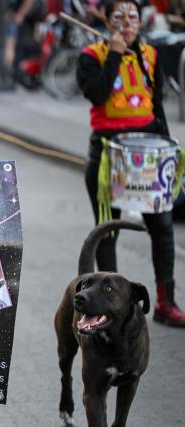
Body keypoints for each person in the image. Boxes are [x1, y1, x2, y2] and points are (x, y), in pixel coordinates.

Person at [77, 0, 185, 327]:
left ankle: (166, 302)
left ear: (140, 22)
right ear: (107, 21)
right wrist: (113, 53)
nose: (127, 23)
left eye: (133, 17)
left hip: (150, 157)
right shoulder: (91, 56)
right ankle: (110, 308)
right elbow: (97, 94)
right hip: (109, 157)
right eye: (119, 18)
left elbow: (157, 106)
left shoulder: (150, 55)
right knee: (108, 231)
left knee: (163, 227)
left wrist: (171, 151)